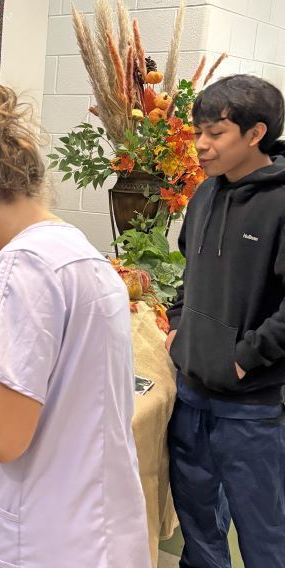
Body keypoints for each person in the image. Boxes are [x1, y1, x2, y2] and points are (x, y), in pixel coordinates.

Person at [0, 83, 150, 567]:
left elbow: (5, 438)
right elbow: (63, 390)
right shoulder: (76, 251)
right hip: (93, 526)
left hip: (44, 539)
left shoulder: (22, 265)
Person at [165, 74, 285, 568]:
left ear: (256, 134)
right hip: (191, 393)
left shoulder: (280, 203)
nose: (201, 145)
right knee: (197, 525)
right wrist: (178, 325)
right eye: (198, 132)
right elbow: (189, 272)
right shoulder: (204, 195)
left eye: (215, 133)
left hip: (251, 406)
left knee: (263, 531)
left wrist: (245, 357)